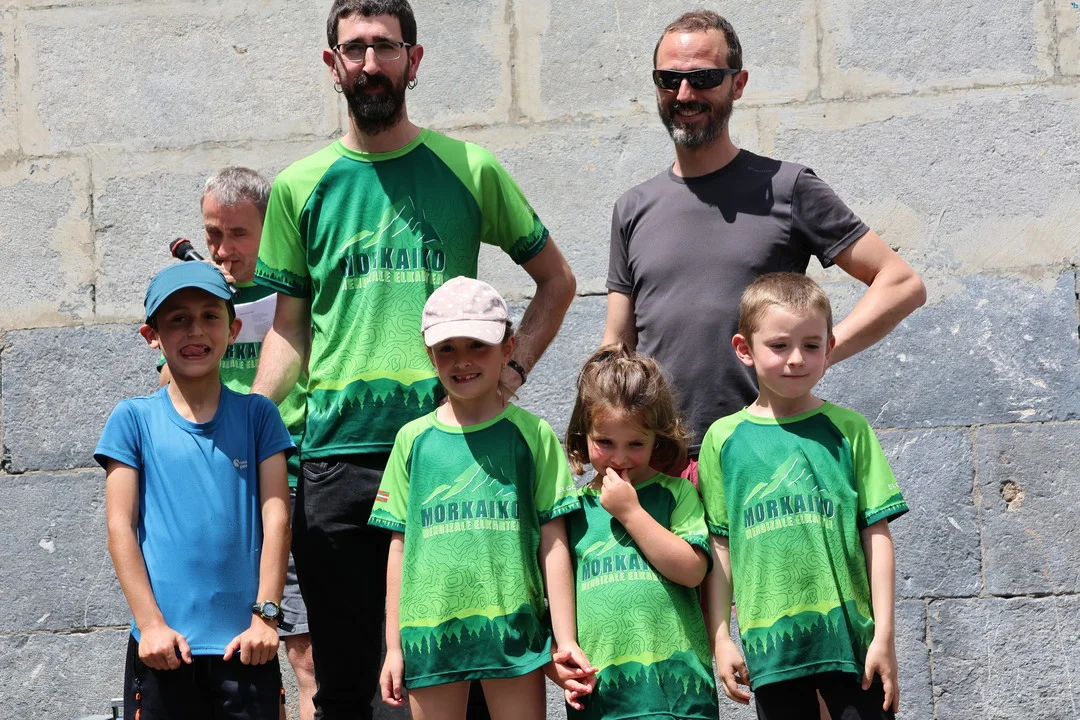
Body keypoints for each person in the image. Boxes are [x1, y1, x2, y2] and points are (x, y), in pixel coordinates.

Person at [250, 1, 576, 716]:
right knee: (343, 686)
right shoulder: (299, 186)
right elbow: (289, 331)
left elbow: (557, 281)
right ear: (333, 64)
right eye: (354, 49)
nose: (370, 63)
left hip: (453, 455)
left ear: (414, 59)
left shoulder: (470, 168)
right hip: (336, 464)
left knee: (475, 671)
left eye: (386, 47)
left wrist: (511, 376)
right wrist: (247, 419)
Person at [603, 10, 926, 477]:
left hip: (763, 454)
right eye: (669, 79)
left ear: (738, 84)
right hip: (658, 463)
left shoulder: (789, 188)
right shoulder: (632, 207)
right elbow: (618, 344)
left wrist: (817, 355)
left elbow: (901, 283)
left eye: (704, 78)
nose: (685, 94)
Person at [367, 277, 586, 720]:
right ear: (429, 353)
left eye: (478, 346)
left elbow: (554, 542)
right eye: (447, 348)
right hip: (430, 637)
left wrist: (564, 640)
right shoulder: (412, 439)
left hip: (515, 633)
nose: (462, 360)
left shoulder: (534, 434)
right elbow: (399, 547)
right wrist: (394, 647)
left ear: (508, 348)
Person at [698, 272, 907, 719]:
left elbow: (877, 535)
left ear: (829, 348)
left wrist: (884, 636)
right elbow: (720, 545)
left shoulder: (849, 430)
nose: (796, 359)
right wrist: (720, 637)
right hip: (773, 652)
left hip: (853, 648)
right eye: (779, 345)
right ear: (744, 349)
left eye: (811, 345)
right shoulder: (722, 439)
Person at [96, 262, 295, 719]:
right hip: (164, 650)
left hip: (248, 647)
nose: (195, 331)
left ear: (233, 329)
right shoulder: (132, 420)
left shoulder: (259, 416)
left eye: (209, 316)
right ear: (152, 336)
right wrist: (150, 625)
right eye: (178, 319)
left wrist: (266, 618)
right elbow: (119, 527)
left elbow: (277, 518)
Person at [158, 167, 316, 720]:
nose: (223, 250)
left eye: (239, 234)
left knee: (304, 654)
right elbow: (168, 385)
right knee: (227, 650)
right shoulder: (199, 295)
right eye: (212, 235)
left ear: (271, 229)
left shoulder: (294, 292)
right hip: (217, 489)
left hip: (285, 481)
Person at [554, 345, 716, 720]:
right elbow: (557, 600)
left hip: (678, 696)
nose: (620, 457)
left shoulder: (676, 493)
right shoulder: (572, 510)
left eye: (636, 444)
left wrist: (631, 512)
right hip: (602, 696)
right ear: (583, 434)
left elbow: (692, 571)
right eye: (605, 443)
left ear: (658, 438)